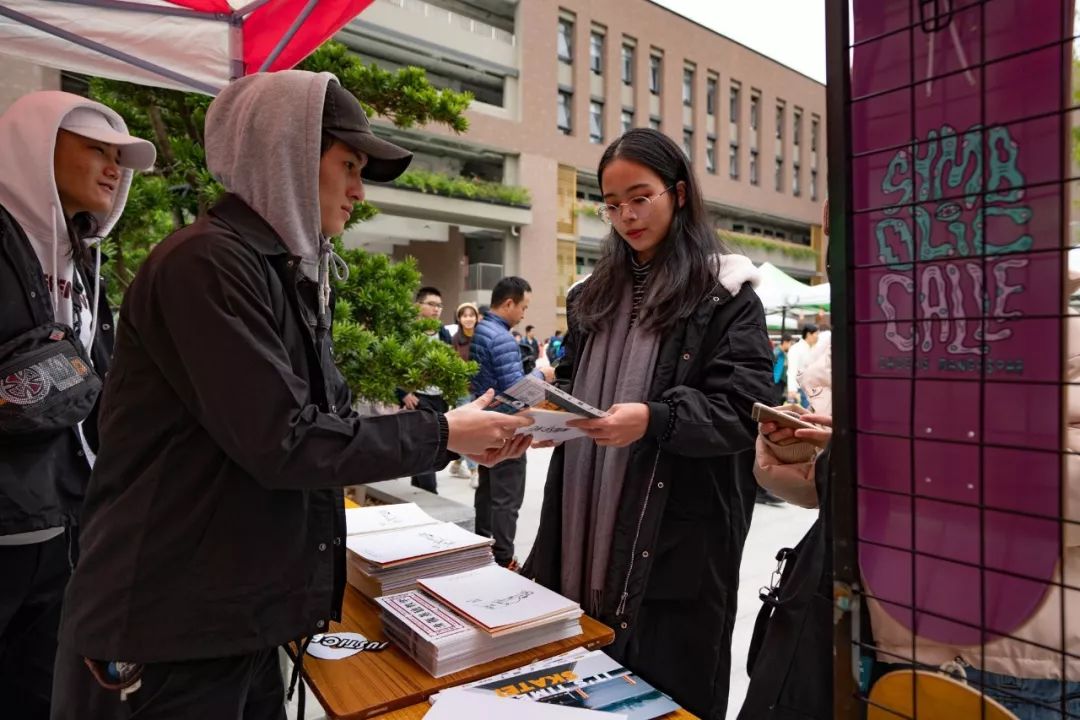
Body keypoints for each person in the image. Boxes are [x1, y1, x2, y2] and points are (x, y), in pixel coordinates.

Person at [50, 71, 533, 718]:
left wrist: (439, 423)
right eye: (349, 166)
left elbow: (313, 420)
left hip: (233, 617)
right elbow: (285, 439)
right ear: (287, 151)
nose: (359, 193)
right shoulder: (206, 266)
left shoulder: (279, 272)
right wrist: (443, 434)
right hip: (168, 629)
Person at [523, 128, 774, 719]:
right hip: (583, 506)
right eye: (612, 204)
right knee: (582, 681)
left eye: (641, 197)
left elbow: (745, 408)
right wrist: (541, 413)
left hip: (676, 530)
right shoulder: (593, 294)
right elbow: (574, 380)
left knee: (663, 686)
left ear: (679, 194)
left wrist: (655, 418)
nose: (626, 216)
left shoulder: (726, 293)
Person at [0, 91, 155, 719]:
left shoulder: (84, 258)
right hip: (7, 525)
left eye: (120, 155)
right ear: (36, 148)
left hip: (65, 524)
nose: (114, 166)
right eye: (96, 148)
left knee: (41, 696)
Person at [471, 276, 555, 568]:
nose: (523, 314)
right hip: (506, 427)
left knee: (487, 491)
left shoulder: (481, 330)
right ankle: (503, 557)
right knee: (507, 498)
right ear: (509, 303)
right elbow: (516, 392)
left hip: (483, 422)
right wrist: (544, 374)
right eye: (523, 307)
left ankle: (481, 547)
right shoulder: (503, 338)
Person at [401, 286, 453, 493]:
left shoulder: (443, 332)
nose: (436, 309)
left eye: (439, 305)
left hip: (438, 397)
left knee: (425, 444)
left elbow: (449, 362)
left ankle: (419, 492)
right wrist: (403, 393)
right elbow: (396, 365)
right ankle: (431, 492)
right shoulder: (408, 331)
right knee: (428, 443)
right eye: (431, 304)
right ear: (418, 305)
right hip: (417, 397)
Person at [449, 302, 480, 488]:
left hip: (480, 388)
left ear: (477, 317)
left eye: (472, 315)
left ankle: (457, 462)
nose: (468, 318)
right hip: (462, 389)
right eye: (464, 315)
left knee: (473, 427)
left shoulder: (481, 337)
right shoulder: (454, 339)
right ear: (459, 319)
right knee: (470, 429)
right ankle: (474, 471)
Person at [786, 323, 819, 408]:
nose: (817, 336)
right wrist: (792, 390)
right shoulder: (796, 349)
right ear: (808, 334)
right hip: (800, 390)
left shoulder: (811, 348)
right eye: (816, 333)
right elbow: (792, 370)